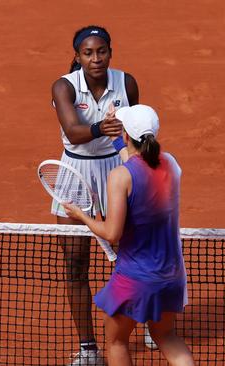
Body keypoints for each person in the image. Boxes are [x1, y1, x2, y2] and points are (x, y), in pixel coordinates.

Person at [63, 105, 195, 366]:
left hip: (135, 279)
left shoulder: (120, 177)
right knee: (166, 335)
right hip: (172, 276)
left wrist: (82, 216)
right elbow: (136, 161)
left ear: (127, 134)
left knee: (116, 341)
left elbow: (112, 234)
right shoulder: (171, 164)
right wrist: (115, 139)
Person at [51, 25, 138, 365]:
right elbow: (73, 133)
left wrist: (131, 155)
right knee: (75, 264)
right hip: (74, 173)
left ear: (110, 53)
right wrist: (104, 127)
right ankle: (88, 349)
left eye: (101, 51)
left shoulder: (126, 82)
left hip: (117, 170)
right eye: (88, 53)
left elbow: (135, 132)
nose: (95, 58)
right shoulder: (63, 86)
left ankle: (147, 320)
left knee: (134, 254)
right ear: (78, 56)